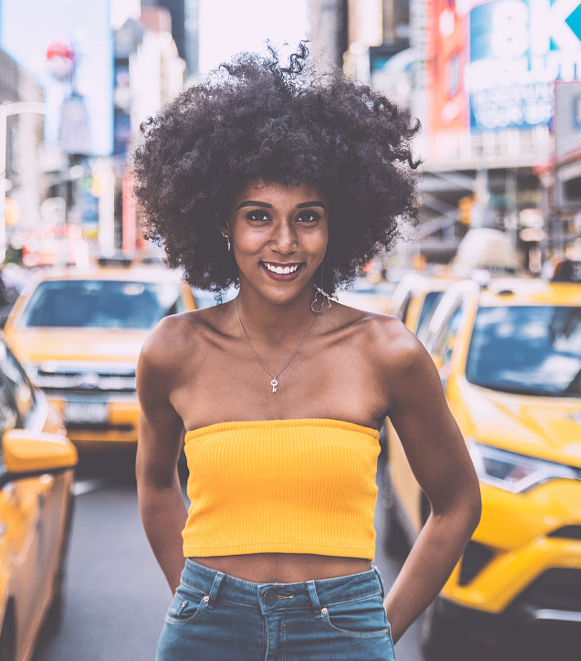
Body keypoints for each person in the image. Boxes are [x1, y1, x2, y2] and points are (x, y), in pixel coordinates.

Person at [132, 43, 481, 661]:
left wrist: (376, 629)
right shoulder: (173, 350)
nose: (284, 242)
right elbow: (157, 486)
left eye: (308, 217)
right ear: (223, 224)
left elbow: (457, 504)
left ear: (337, 224)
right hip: (207, 625)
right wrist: (194, 599)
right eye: (258, 216)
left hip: (342, 625)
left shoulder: (387, 352)